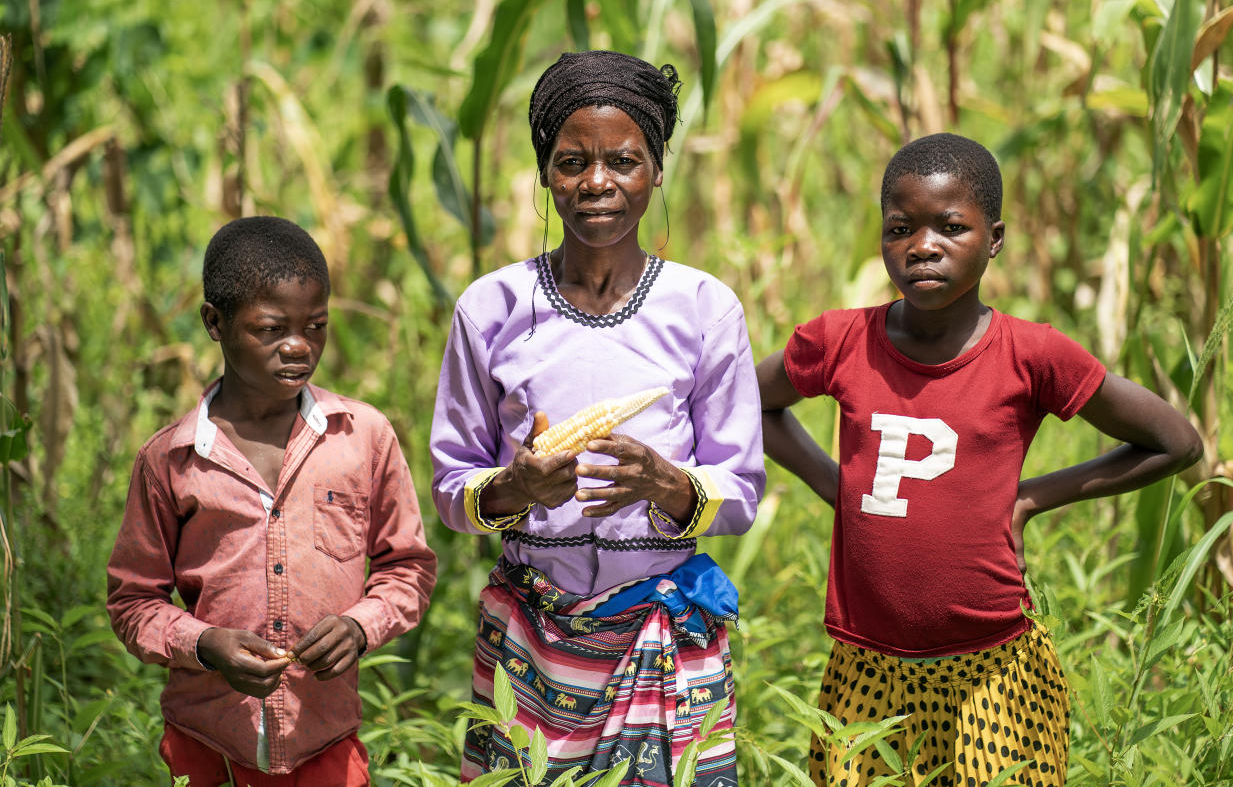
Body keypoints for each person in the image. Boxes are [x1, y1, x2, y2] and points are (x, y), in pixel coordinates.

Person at [755, 133, 1202, 787]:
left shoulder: (1033, 354)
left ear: (994, 240)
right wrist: (839, 487)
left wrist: (1031, 497)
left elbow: (1177, 442)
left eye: (951, 227)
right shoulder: (839, 341)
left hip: (993, 669)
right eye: (901, 228)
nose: (923, 245)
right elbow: (745, 400)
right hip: (867, 667)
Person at [430, 50, 764, 786]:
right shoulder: (491, 309)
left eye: (624, 160)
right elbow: (451, 488)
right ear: (545, 172)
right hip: (531, 640)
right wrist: (514, 488)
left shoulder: (705, 310)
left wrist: (667, 484)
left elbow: (740, 491)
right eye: (572, 162)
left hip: (662, 631)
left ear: (657, 170)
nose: (597, 183)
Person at [107, 216, 438, 786]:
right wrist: (206, 643)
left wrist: (360, 627)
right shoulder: (171, 460)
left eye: (316, 326)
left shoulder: (363, 438)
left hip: (324, 741)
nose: (299, 346)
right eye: (270, 328)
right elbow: (132, 601)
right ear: (215, 322)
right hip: (206, 742)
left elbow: (407, 568)